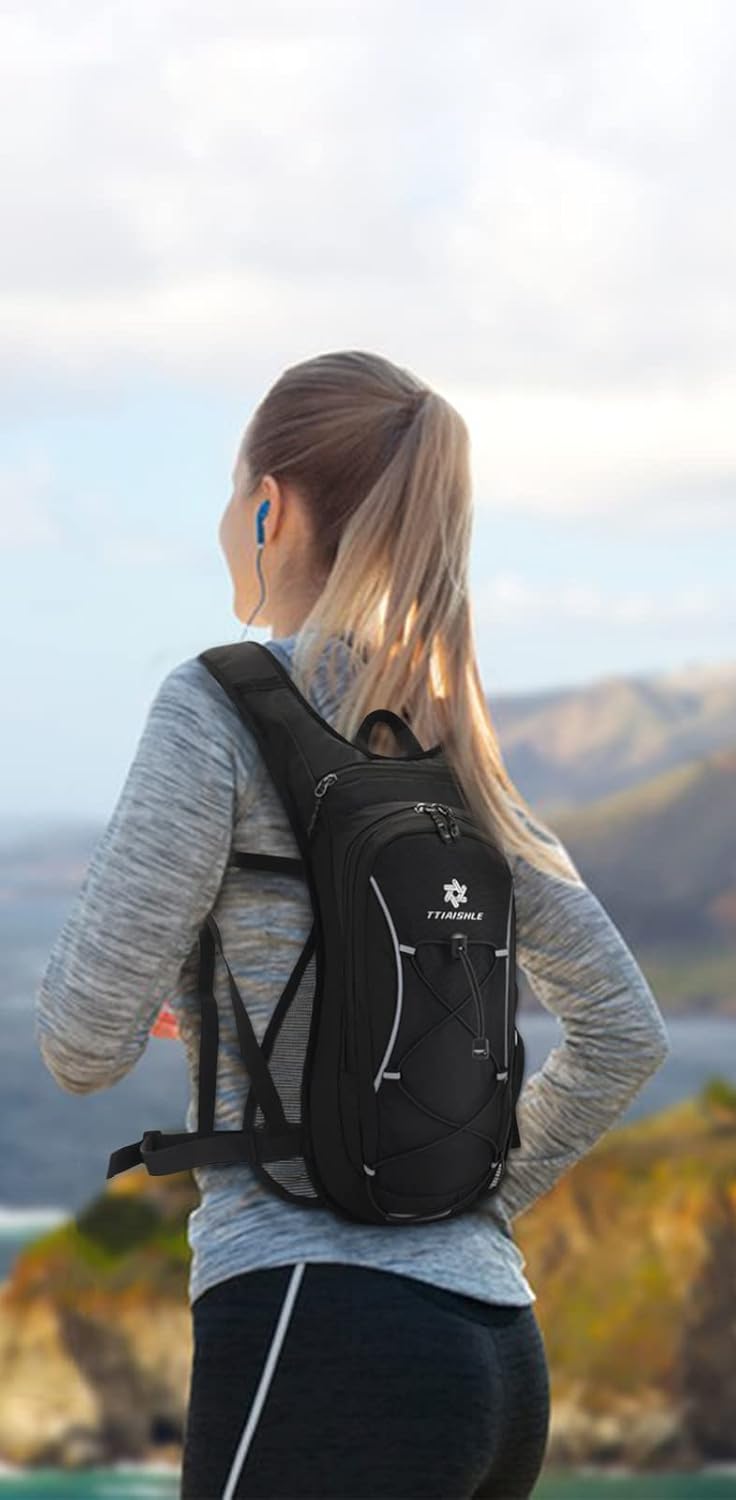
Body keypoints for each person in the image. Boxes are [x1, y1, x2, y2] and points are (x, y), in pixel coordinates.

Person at [35, 350, 671, 1499]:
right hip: (494, 1349)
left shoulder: (215, 707)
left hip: (317, 1336)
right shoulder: (447, 734)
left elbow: (82, 1043)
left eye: (232, 492)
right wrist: (460, 1200)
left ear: (269, 506)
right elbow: (624, 1030)